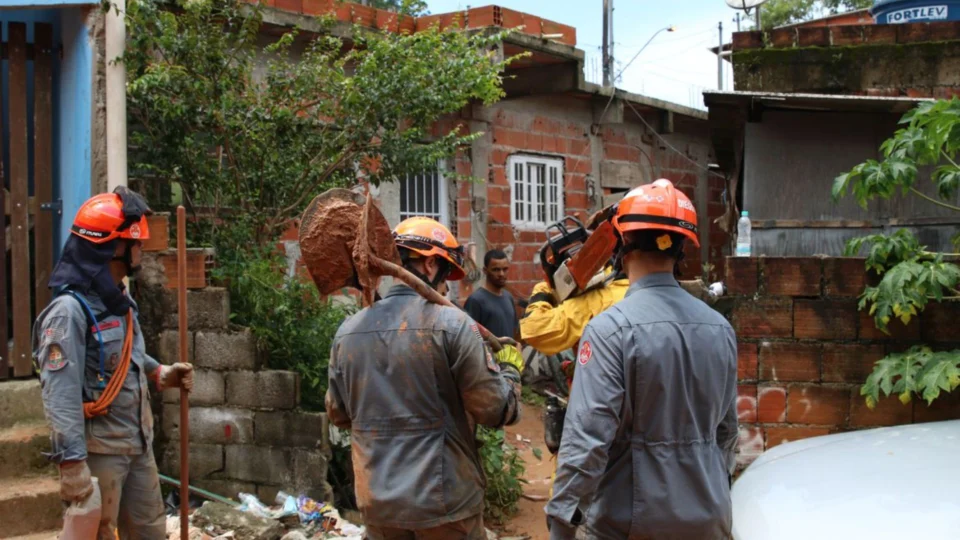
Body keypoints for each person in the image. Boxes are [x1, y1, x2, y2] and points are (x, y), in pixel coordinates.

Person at [545, 179, 739, 540]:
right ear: (681, 248)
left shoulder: (610, 330)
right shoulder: (720, 328)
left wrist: (562, 521)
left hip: (630, 525)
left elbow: (587, 440)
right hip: (709, 520)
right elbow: (726, 434)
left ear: (620, 244)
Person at [325, 216, 525, 540]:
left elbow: (338, 413)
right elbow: (494, 410)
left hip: (378, 505)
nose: (445, 288)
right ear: (431, 264)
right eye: (446, 277)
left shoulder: (347, 332)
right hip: (445, 506)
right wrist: (510, 369)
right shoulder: (453, 325)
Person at [33, 188, 194, 539]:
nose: (142, 250)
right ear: (113, 248)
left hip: (138, 444)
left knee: (151, 533)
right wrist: (71, 465)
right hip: (100, 452)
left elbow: (126, 354)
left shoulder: (119, 299)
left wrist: (160, 373)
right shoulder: (68, 314)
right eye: (136, 243)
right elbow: (59, 395)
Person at [464, 249, 518, 341]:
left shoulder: (508, 297)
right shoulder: (475, 301)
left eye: (505, 269)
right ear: (485, 270)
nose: (501, 274)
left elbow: (514, 331)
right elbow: (468, 337)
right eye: (496, 270)